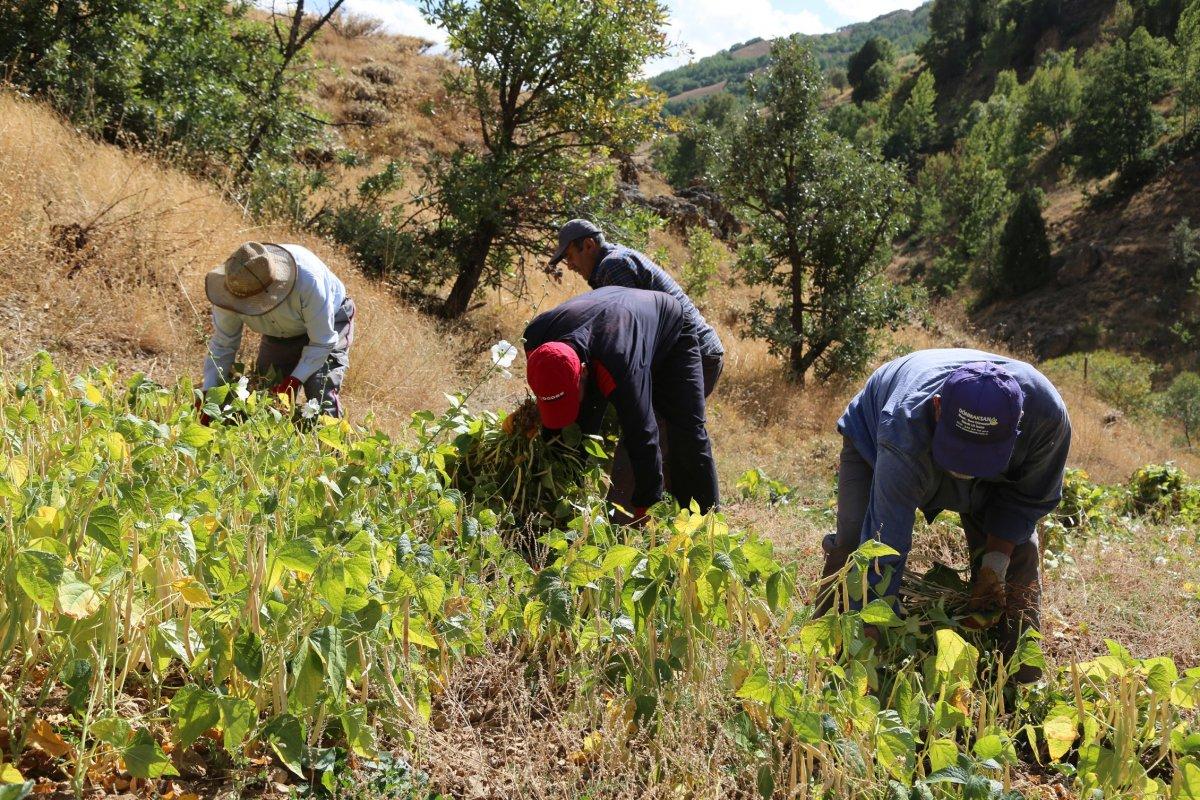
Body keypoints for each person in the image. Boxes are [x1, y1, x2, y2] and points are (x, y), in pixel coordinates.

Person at [821, 348, 1071, 680]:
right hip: (878, 435)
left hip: (993, 482)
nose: (965, 470)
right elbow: (885, 543)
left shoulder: (1047, 419)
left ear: (1018, 424)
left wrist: (994, 568)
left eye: (980, 458)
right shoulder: (904, 424)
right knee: (856, 547)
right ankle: (826, 653)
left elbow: (1024, 502)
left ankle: (1016, 679)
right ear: (938, 408)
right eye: (960, 452)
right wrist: (867, 642)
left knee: (1018, 558)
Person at [549, 219, 724, 514]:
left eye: (570, 256)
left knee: (643, 437)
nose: (569, 265)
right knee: (667, 442)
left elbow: (629, 331)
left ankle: (625, 524)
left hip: (694, 355)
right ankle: (676, 519)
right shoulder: (615, 261)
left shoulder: (613, 266)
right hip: (690, 353)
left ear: (588, 245)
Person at [523, 286, 719, 518]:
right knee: (572, 433)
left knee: (686, 431)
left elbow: (643, 435)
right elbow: (549, 392)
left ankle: (705, 523)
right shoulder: (535, 338)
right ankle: (556, 509)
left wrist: (646, 509)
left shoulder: (620, 365)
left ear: (584, 372)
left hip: (670, 328)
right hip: (609, 320)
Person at [201, 241, 355, 418]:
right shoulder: (232, 288)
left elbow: (322, 341)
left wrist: (294, 381)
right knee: (264, 392)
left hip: (330, 322)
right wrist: (208, 395)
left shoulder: (308, 280)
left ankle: (329, 434)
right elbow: (223, 345)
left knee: (320, 390)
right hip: (279, 333)